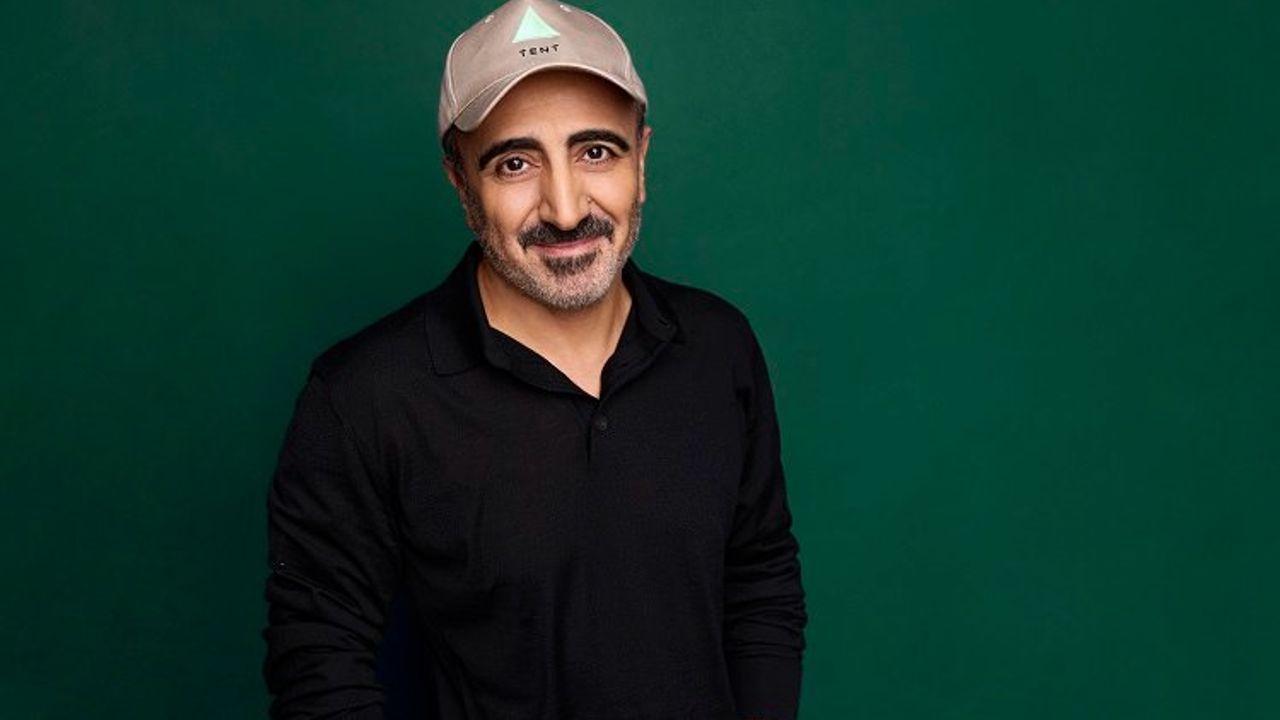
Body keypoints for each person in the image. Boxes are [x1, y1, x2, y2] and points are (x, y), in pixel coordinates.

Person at [263, 1, 807, 718]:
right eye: (515, 163)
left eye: (596, 152)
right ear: (461, 183)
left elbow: (760, 580)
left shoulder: (717, 346)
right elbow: (319, 666)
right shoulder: (364, 397)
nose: (564, 208)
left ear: (641, 159)